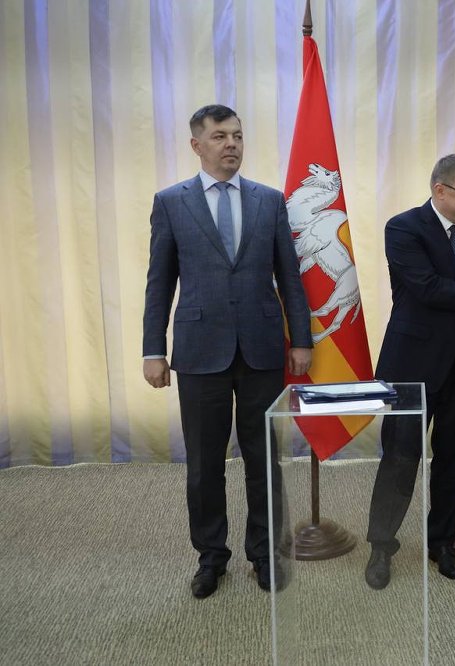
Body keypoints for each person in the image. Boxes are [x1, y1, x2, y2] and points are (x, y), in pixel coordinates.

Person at [142, 104, 313, 599]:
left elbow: (290, 277)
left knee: (264, 460)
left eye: (237, 135)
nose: (231, 144)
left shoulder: (269, 200)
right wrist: (153, 349)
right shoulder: (171, 202)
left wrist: (301, 339)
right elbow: (159, 283)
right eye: (219, 136)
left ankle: (264, 554)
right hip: (200, 351)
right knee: (204, 464)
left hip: (262, 349)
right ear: (197, 145)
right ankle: (211, 557)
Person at [364, 154, 455, 590]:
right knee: (400, 458)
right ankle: (381, 545)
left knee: (452, 459)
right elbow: (428, 289)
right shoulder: (403, 228)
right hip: (411, 365)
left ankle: (441, 541)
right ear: (440, 190)